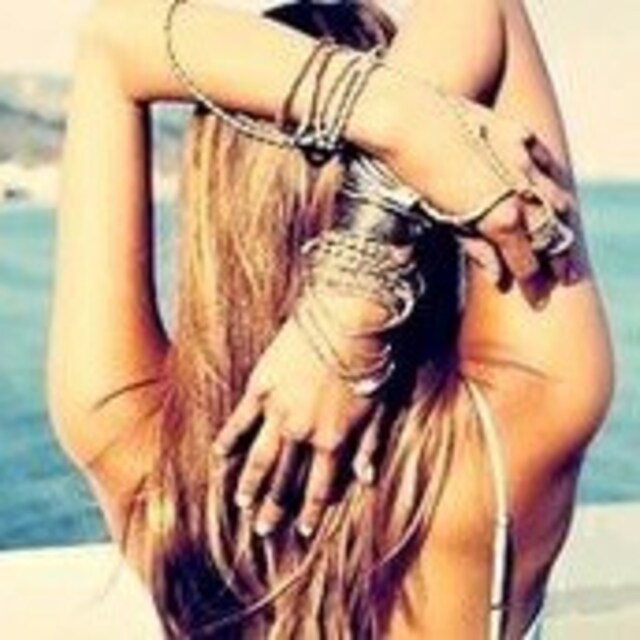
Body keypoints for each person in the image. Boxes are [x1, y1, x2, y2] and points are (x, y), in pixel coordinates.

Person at [48, 0, 613, 637]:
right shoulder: (516, 431)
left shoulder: (129, 437)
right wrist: (356, 281)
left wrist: (394, 120)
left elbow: (112, 41)